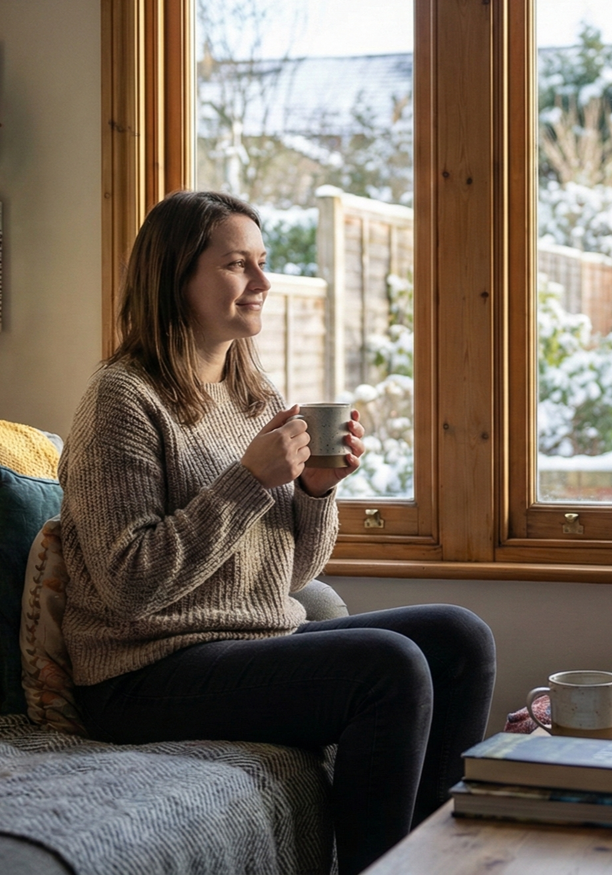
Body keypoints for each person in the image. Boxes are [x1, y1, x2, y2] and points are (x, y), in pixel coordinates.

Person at [59, 190, 496, 874]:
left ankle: (424, 861)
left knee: (458, 637)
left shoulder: (251, 396)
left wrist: (314, 490)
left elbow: (289, 577)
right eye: (239, 264)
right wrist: (247, 481)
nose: (264, 281)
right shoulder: (122, 399)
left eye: (262, 261)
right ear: (175, 277)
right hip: (139, 675)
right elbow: (130, 586)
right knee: (388, 666)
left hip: (242, 643)